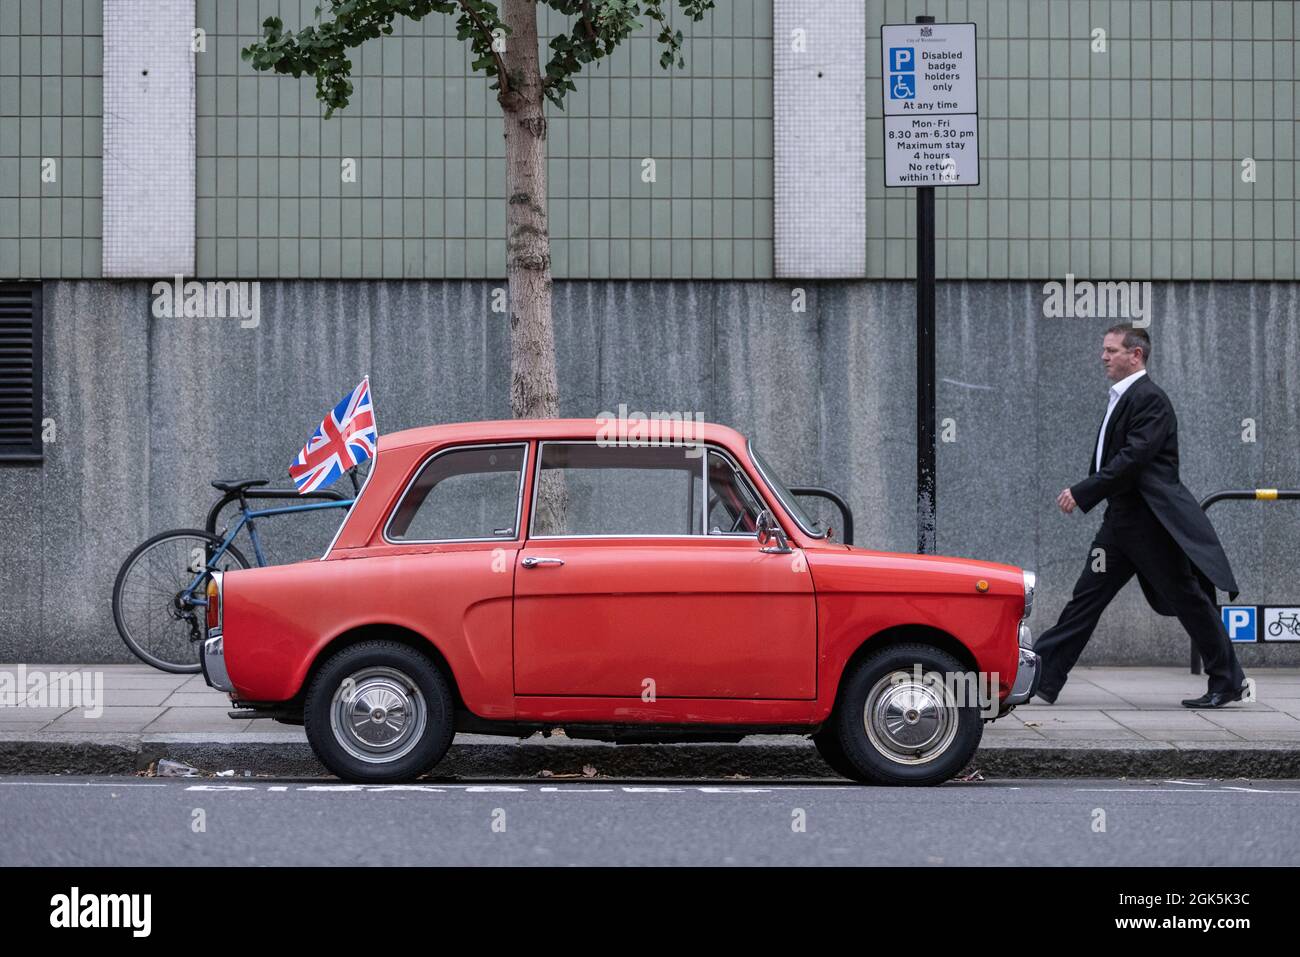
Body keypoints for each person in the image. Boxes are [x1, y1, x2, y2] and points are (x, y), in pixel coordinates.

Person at [1033, 323, 1248, 709]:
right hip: (1120, 525)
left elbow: (1133, 459)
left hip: (1151, 526)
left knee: (1189, 600)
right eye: (1104, 350)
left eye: (1112, 350)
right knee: (1085, 600)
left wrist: (1083, 492)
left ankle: (1228, 680)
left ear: (1136, 355)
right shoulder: (1124, 396)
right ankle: (1043, 679)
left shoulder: (1149, 398)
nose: (1103, 356)